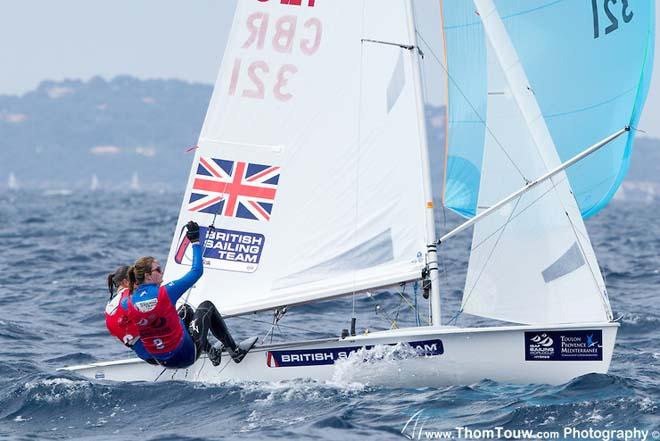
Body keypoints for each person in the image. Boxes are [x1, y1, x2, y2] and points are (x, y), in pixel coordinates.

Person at [126, 220, 257, 369]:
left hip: (162, 361)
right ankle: (236, 352)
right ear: (148, 276)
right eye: (158, 270)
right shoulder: (165, 292)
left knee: (186, 310)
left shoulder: (129, 301)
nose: (162, 272)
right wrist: (195, 241)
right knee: (206, 307)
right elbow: (197, 271)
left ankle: (212, 352)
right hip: (186, 356)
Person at [105, 266, 156, 364]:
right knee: (186, 311)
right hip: (161, 351)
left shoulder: (109, 306)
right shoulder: (129, 296)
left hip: (147, 357)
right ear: (126, 282)